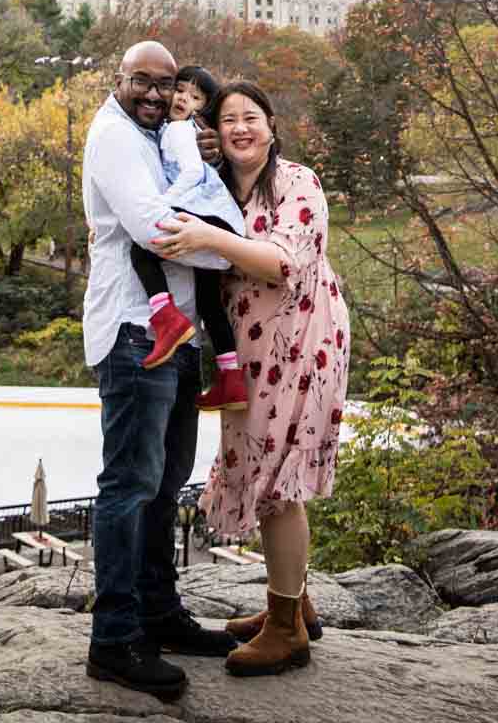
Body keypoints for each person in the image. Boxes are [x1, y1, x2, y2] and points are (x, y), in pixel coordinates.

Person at [151, 79, 349, 678]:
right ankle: (292, 603)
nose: (240, 128)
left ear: (271, 125)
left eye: (251, 117)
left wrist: (213, 236)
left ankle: (287, 630)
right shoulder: (213, 186)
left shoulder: (298, 182)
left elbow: (282, 261)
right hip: (250, 355)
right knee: (260, 471)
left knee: (277, 484)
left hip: (304, 345)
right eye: (229, 119)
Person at [81, 41, 239, 699]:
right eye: (140, 81)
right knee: (129, 484)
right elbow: (152, 230)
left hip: (176, 336)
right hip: (131, 332)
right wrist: (228, 247)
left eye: (164, 83)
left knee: (166, 480)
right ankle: (113, 638)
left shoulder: (160, 135)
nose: (153, 93)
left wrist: (209, 228)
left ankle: (157, 613)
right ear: (117, 80)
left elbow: (185, 217)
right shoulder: (115, 137)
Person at [126, 63, 249, 412]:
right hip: (222, 220)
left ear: (204, 107)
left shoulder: (180, 130)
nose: (183, 99)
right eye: (180, 90)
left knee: (143, 247)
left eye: (195, 97)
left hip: (205, 214)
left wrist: (163, 205)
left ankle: (165, 318)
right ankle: (231, 378)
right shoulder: (178, 129)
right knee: (209, 301)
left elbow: (194, 172)